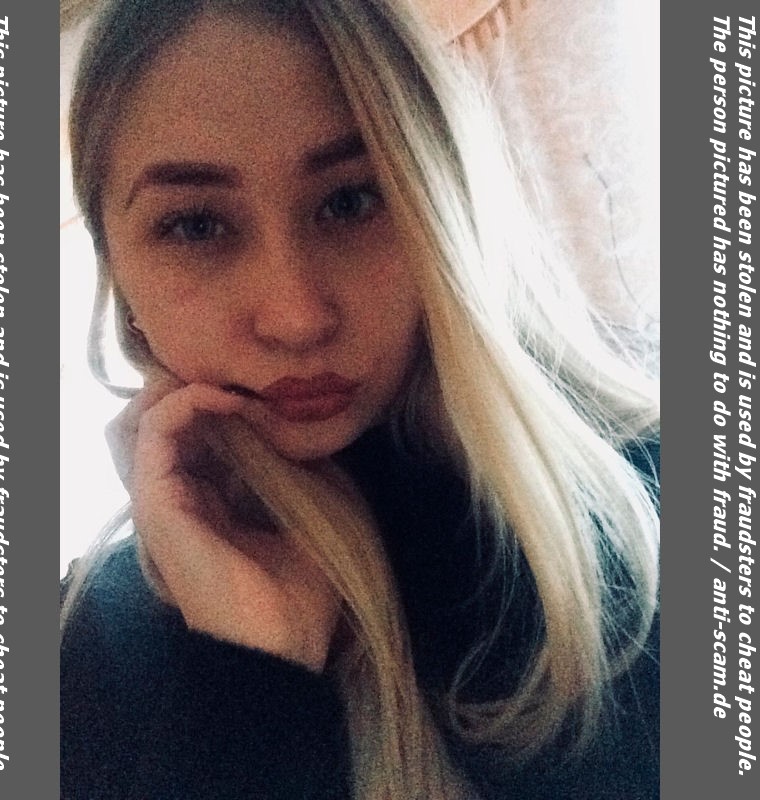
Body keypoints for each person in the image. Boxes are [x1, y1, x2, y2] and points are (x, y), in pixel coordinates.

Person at [60, 1, 660, 798]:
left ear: (441, 203)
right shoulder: (81, 658)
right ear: (120, 277)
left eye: (350, 200)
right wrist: (249, 681)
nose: (297, 316)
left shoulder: (666, 500)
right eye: (197, 225)